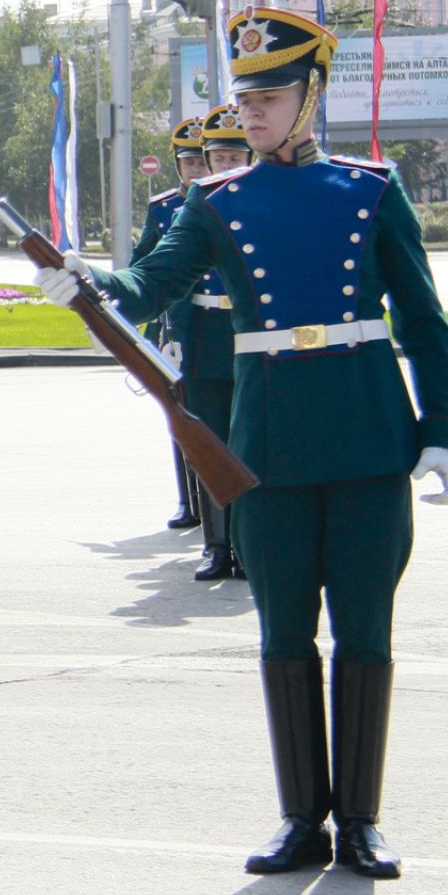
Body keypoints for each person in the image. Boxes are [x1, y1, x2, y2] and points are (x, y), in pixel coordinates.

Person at [36, 6, 448, 879]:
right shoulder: (216, 201)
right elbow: (150, 284)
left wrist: (441, 434)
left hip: (368, 435)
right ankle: (302, 816)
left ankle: (364, 822)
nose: (251, 113)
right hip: (265, 444)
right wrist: (86, 279)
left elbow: (422, 322)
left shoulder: (371, 190)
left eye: (269, 96)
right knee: (283, 634)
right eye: (244, 98)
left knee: (366, 631)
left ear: (311, 96)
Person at [173, 104, 255, 581]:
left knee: (246, 446)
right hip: (205, 337)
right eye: (218, 158)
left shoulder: (263, 204)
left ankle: (247, 545)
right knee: (209, 445)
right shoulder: (196, 206)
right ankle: (217, 545)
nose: (225, 166)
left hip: (249, 337)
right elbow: (164, 274)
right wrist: (170, 338)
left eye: (233, 157)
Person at [138, 117, 213, 531]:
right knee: (181, 417)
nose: (198, 170)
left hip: (215, 325)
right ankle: (190, 501)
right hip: (174, 331)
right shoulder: (163, 208)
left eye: (204, 162)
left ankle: (222, 504)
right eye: (190, 164)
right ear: (178, 165)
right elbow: (144, 266)